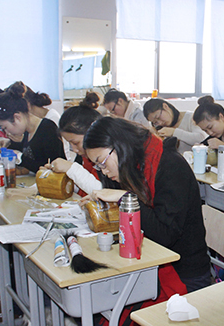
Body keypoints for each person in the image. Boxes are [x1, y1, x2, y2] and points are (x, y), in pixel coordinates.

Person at [82, 117, 211, 291]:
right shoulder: (127, 167)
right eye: (98, 166)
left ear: (120, 146)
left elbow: (165, 234)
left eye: (102, 161)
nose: (103, 170)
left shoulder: (170, 166)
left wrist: (126, 199)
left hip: (183, 271)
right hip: (144, 263)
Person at [0, 81, 65, 173]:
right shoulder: (26, 131)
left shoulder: (48, 129)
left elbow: (52, 168)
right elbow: (28, 151)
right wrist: (9, 143)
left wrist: (20, 158)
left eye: (4, 127)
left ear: (17, 117)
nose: (6, 132)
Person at [46, 92, 109, 195]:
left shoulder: (108, 156)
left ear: (91, 131)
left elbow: (104, 193)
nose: (74, 149)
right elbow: (84, 189)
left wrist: (71, 168)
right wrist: (60, 176)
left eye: (75, 143)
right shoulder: (87, 157)